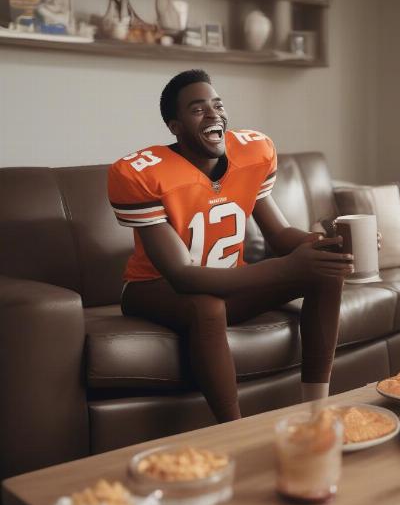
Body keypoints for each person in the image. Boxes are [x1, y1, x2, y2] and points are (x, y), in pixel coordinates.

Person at [107, 69, 353, 423]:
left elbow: (281, 235)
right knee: (207, 307)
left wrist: (329, 245)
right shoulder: (143, 173)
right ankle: (231, 429)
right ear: (175, 126)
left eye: (217, 104)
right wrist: (290, 266)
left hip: (230, 283)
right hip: (152, 289)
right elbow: (183, 276)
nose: (213, 114)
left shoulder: (252, 153)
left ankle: (316, 411)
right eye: (197, 109)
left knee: (326, 271)